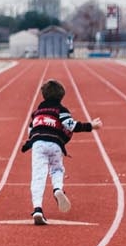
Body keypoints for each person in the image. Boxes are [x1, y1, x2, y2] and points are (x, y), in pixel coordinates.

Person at [19, 78, 102, 225]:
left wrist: (28, 144)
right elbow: (71, 125)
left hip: (38, 144)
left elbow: (31, 130)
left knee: (38, 176)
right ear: (61, 96)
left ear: (43, 95)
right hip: (55, 144)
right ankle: (57, 189)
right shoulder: (61, 110)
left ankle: (37, 208)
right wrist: (91, 126)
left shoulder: (36, 112)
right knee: (57, 170)